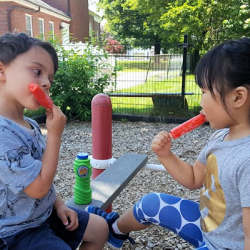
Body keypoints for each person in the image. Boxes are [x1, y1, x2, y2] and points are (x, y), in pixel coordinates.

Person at [87, 37, 250, 250]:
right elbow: (193, 178)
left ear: (238, 97)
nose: (201, 103)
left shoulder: (246, 159)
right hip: (205, 225)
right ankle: (115, 231)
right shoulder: (220, 137)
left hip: (224, 246)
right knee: (150, 203)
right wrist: (165, 155)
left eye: (204, 93)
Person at [0, 32, 108, 250]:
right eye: (37, 72)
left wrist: (58, 204)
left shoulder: (29, 124)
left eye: (50, 77)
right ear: (2, 71)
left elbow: (42, 176)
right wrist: (55, 135)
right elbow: (38, 188)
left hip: (43, 214)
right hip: (14, 232)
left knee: (100, 229)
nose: (46, 83)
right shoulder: (3, 134)